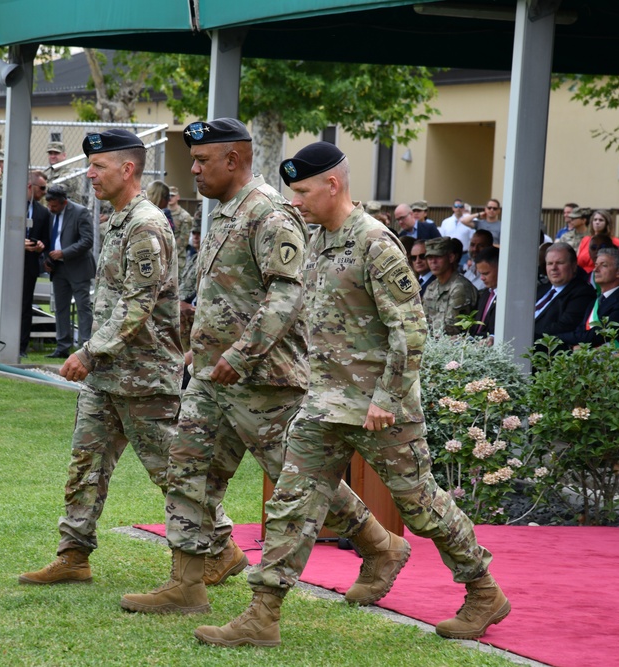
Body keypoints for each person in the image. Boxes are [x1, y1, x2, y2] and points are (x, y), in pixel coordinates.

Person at [194, 142, 507, 648]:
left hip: (380, 409)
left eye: (302, 191)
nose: (293, 201)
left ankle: (483, 590)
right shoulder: (316, 238)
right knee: (292, 505)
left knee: (421, 507)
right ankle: (262, 614)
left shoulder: (375, 243)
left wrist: (387, 395)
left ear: (332, 185)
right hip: (323, 404)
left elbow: (411, 330)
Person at [122, 121, 391, 617]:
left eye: (204, 160)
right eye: (194, 160)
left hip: (263, 381)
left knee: (301, 482)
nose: (195, 169)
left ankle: (379, 545)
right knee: (187, 470)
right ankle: (186, 584)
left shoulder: (270, 212)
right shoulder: (225, 213)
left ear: (235, 159)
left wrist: (241, 354)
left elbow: (286, 293)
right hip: (211, 378)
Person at [17, 129, 186, 586]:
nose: (89, 174)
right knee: (85, 464)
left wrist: (90, 351)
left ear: (127, 169)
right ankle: (73, 554)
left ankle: (219, 547)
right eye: (89, 166)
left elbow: (138, 304)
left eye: (98, 167)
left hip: (143, 376)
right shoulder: (118, 219)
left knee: (171, 469)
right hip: (107, 376)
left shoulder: (146, 224)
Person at [0, 172, 50, 357]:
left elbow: (45, 240)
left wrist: (39, 246)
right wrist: (17, 243)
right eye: (42, 188)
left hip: (29, 264)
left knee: (25, 305)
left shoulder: (43, 212)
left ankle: (20, 348)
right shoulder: (5, 204)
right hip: (3, 261)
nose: (44, 193)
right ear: (30, 187)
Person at [43, 184, 95, 358]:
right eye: (49, 205)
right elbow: (49, 238)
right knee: (61, 307)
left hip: (78, 267)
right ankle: (62, 346)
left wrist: (63, 253)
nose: (51, 208)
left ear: (64, 202)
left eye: (54, 206)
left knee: (83, 306)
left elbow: (87, 240)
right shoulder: (50, 214)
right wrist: (48, 259)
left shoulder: (80, 212)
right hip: (58, 269)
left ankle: (85, 345)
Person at [555, 247, 619, 350]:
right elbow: (580, 331)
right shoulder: (597, 300)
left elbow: (596, 335)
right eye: (595, 265)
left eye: (603, 265)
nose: (595, 270)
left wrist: (558, 338)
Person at [534, 242, 596, 341]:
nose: (553, 268)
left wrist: (528, 332)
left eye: (560, 263)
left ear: (574, 266)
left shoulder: (582, 293)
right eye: (550, 263)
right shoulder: (540, 289)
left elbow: (564, 326)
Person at [423, 236, 478, 335]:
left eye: (438, 257)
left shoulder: (460, 287)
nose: (433, 262)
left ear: (451, 258)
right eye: (429, 258)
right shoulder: (431, 287)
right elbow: (423, 322)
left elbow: (453, 328)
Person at [576, 209, 619, 274]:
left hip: (602, 276)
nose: (597, 222)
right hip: (582, 276)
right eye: (595, 220)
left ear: (607, 223)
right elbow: (577, 260)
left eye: (601, 220)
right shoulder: (585, 240)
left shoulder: (614, 241)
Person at [44, 140, 84, 205]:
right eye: (50, 153)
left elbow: (58, 189)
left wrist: (40, 186)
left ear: (64, 155)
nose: (52, 156)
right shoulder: (50, 173)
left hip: (70, 211)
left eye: (56, 153)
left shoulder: (70, 173)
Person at [471, 246, 500, 339]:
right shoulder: (485, 294)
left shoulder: (509, 298)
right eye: (480, 273)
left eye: (486, 273)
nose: (482, 278)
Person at [439, 198, 474, 264]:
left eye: (460, 206)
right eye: (456, 206)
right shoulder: (446, 222)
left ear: (463, 208)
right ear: (453, 208)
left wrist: (470, 258)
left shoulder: (468, 222)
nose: (458, 208)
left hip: (464, 255)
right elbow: (442, 239)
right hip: (448, 254)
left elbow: (471, 239)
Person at [168, 185, 194, 273]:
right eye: (168, 195)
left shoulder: (184, 216)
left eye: (172, 195)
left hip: (177, 257)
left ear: (178, 197)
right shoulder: (161, 213)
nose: (170, 198)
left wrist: (170, 254)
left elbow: (183, 240)